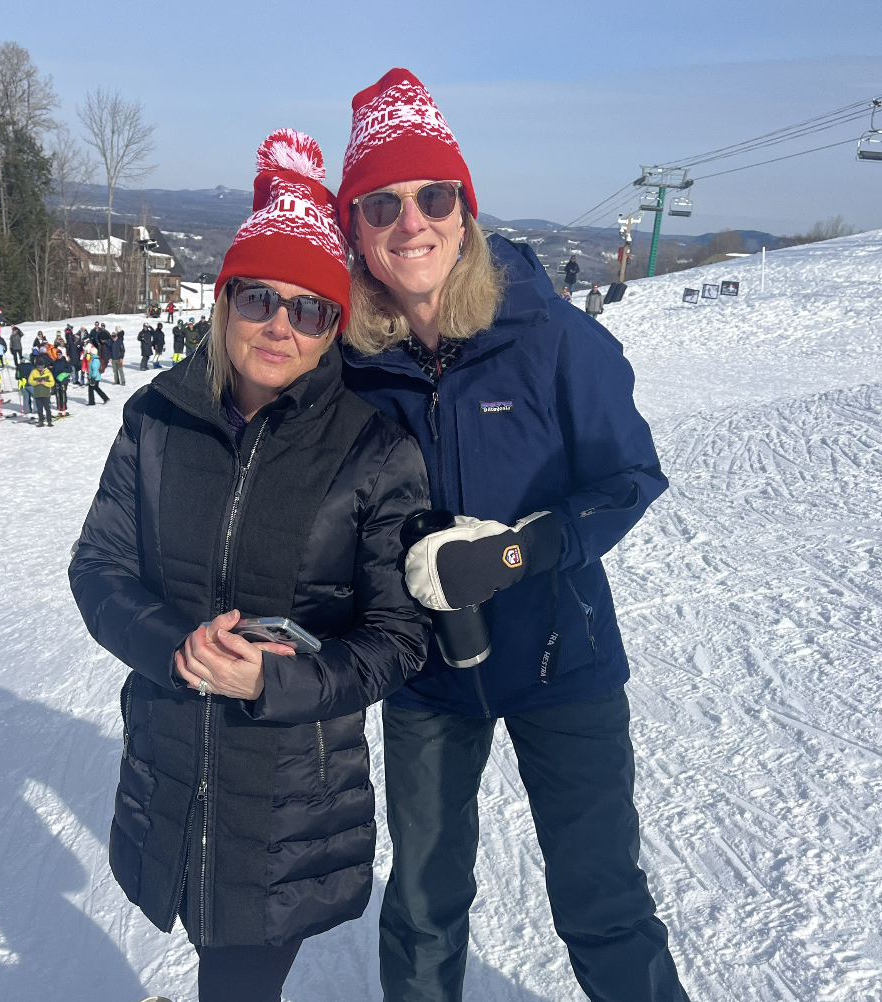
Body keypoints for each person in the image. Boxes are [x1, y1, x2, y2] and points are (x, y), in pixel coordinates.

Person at [338, 69, 690, 1002]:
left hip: (561, 666)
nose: (412, 221)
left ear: (465, 212)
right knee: (421, 907)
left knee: (602, 903)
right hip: (425, 680)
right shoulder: (352, 369)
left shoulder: (551, 337)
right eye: (382, 203)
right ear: (357, 232)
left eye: (434, 195)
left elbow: (631, 477)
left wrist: (515, 553)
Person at [68, 129, 430, 1002]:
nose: (279, 324)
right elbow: (99, 567)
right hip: (171, 766)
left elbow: (398, 635)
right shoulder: (156, 419)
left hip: (289, 796)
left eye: (307, 309)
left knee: (239, 979)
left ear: (332, 328)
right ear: (224, 302)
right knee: (208, 953)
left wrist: (273, 684)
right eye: (259, 298)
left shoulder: (373, 451)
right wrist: (174, 647)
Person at [28, 354, 55, 427]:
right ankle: (41, 422)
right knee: (39, 409)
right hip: (37, 394)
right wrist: (35, 383)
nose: (40, 368)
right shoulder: (33, 372)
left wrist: (45, 383)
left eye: (41, 367)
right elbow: (30, 381)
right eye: (38, 367)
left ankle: (49, 421)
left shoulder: (47, 372)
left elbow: (52, 383)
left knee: (47, 409)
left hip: (46, 394)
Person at [53, 349, 73, 417]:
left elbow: (70, 369)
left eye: (59, 354)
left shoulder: (65, 361)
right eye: (57, 354)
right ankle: (59, 405)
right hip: (57, 380)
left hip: (63, 380)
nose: (58, 356)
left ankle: (64, 405)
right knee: (57, 393)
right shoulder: (55, 362)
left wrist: (64, 370)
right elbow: (54, 371)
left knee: (63, 392)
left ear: (61, 355)